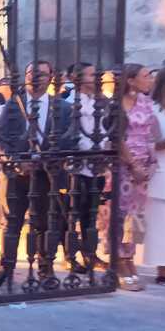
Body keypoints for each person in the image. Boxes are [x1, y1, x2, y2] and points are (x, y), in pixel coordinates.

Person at [0, 60, 73, 290]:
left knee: (45, 222)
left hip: (46, 176)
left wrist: (49, 157)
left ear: (51, 77)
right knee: (12, 223)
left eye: (42, 74)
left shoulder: (63, 108)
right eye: (31, 73)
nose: (36, 77)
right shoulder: (13, 105)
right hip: (17, 175)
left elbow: (69, 139)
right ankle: (6, 269)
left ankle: (45, 269)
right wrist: (16, 161)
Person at [115, 63, 159, 291]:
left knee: (135, 217)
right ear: (130, 80)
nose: (150, 79)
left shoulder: (147, 102)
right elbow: (116, 137)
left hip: (143, 166)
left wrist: (150, 165)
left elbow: (152, 134)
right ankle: (120, 262)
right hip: (123, 166)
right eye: (145, 76)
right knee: (119, 215)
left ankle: (129, 258)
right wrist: (132, 164)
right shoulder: (116, 104)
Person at [63, 63, 110, 274]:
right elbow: (69, 133)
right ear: (78, 78)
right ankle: (70, 255)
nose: (96, 78)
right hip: (76, 164)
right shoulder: (69, 101)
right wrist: (87, 148)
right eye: (92, 74)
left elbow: (109, 126)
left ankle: (90, 253)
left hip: (97, 163)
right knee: (72, 213)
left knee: (91, 213)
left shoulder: (103, 101)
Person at [144, 65, 165, 285]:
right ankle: (163, 269)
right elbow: (153, 144)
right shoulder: (153, 110)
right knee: (163, 224)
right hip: (164, 172)